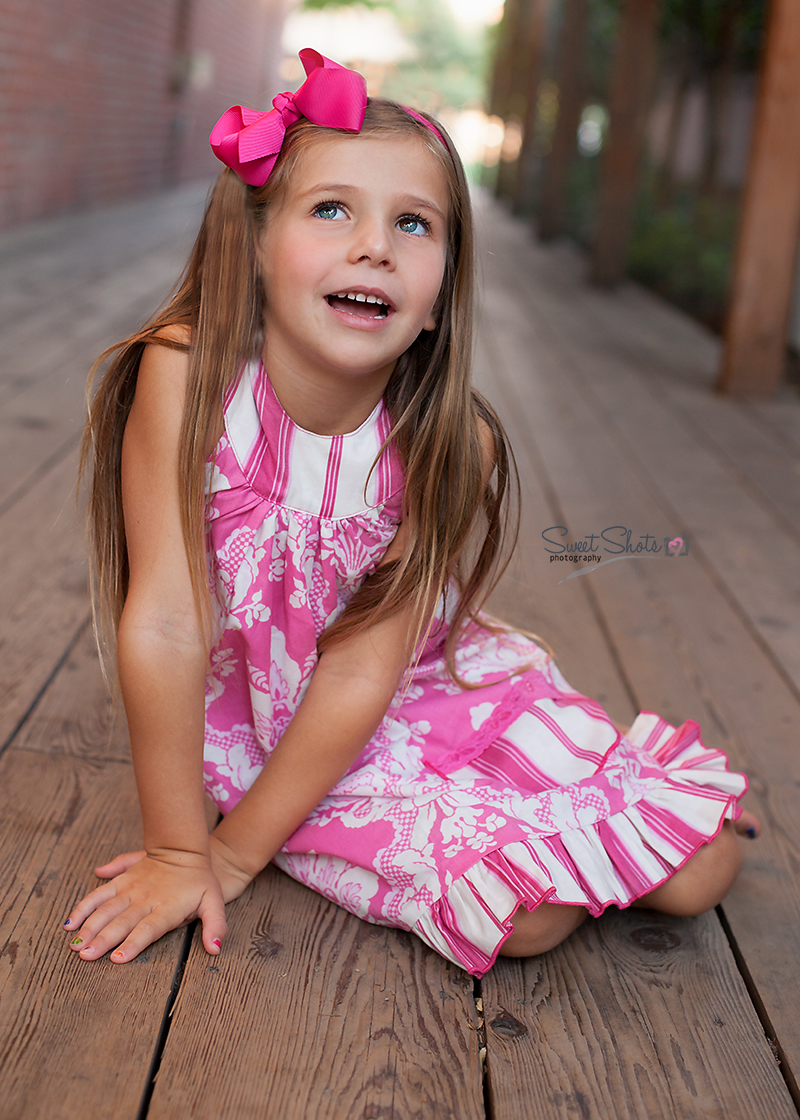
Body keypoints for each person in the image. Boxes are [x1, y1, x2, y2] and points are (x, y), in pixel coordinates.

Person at [64, 49, 759, 976]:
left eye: (414, 224)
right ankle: (579, 854)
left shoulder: (444, 442)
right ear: (256, 248)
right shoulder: (188, 375)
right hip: (264, 727)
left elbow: (362, 678)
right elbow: (163, 617)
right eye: (330, 209)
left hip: (403, 695)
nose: (375, 245)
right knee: (528, 922)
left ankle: (615, 823)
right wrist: (192, 853)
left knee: (702, 866)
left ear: (437, 300)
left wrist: (240, 856)